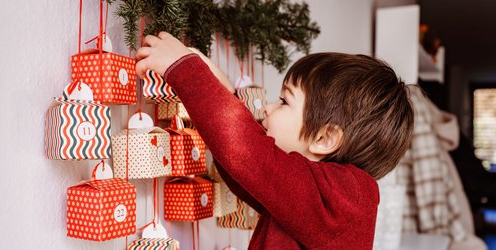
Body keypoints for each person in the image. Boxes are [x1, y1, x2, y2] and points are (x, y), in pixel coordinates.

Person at [135, 32, 414, 249]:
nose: (268, 107)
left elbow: (249, 156)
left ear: (324, 138)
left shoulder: (345, 197)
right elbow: (248, 175)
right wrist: (222, 93)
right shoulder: (316, 195)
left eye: (284, 101)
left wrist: (184, 70)